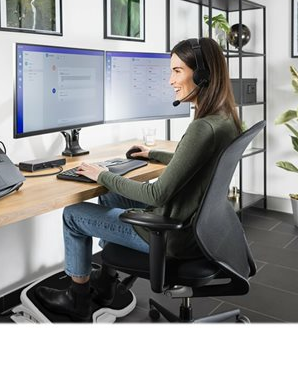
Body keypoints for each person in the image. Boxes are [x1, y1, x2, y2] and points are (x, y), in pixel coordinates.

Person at [34, 37, 242, 321]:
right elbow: (195, 161)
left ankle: (77, 300)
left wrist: (102, 173)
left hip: (171, 236)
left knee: (73, 214)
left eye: (177, 71)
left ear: (203, 75)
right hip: (195, 227)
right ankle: (107, 284)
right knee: (109, 193)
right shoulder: (225, 119)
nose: (171, 80)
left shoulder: (202, 127)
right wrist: (152, 154)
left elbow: (157, 195)